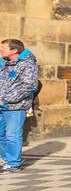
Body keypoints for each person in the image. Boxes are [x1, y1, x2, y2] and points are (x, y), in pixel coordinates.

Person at [0, 39, 38, 174]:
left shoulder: (27, 64)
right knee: (1, 135)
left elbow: (30, 86)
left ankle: (14, 164)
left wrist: (6, 98)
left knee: (12, 135)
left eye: (3, 47)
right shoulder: (4, 63)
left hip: (15, 106)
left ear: (14, 50)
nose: (1, 49)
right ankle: (6, 161)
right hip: (1, 105)